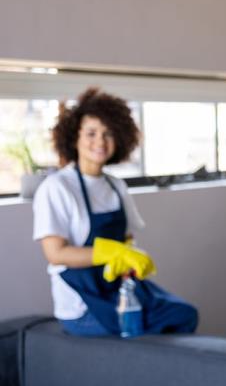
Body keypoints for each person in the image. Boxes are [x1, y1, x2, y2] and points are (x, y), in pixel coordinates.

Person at [33, 88, 198, 337]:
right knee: (143, 332)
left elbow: (127, 238)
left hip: (118, 289)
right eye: (91, 133)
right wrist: (110, 253)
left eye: (108, 133)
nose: (100, 142)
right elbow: (55, 254)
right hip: (82, 304)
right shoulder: (57, 187)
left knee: (184, 315)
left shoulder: (115, 186)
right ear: (74, 137)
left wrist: (129, 257)